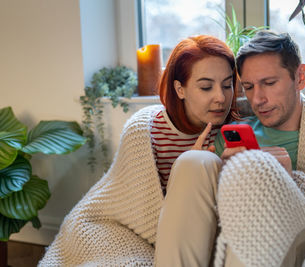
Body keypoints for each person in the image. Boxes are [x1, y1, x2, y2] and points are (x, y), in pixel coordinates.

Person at [154, 30, 305, 267]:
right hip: (228, 244)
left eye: (270, 83)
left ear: (300, 77)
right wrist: (224, 176)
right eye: (249, 87)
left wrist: (289, 179)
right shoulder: (231, 134)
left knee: (254, 168)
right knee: (193, 161)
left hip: (300, 243)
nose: (258, 99)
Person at [38, 35, 240, 266]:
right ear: (179, 89)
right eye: (206, 87)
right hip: (114, 225)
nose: (221, 97)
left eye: (227, 85)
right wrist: (184, 170)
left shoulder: (234, 132)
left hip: (186, 241)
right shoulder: (145, 129)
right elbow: (130, 204)